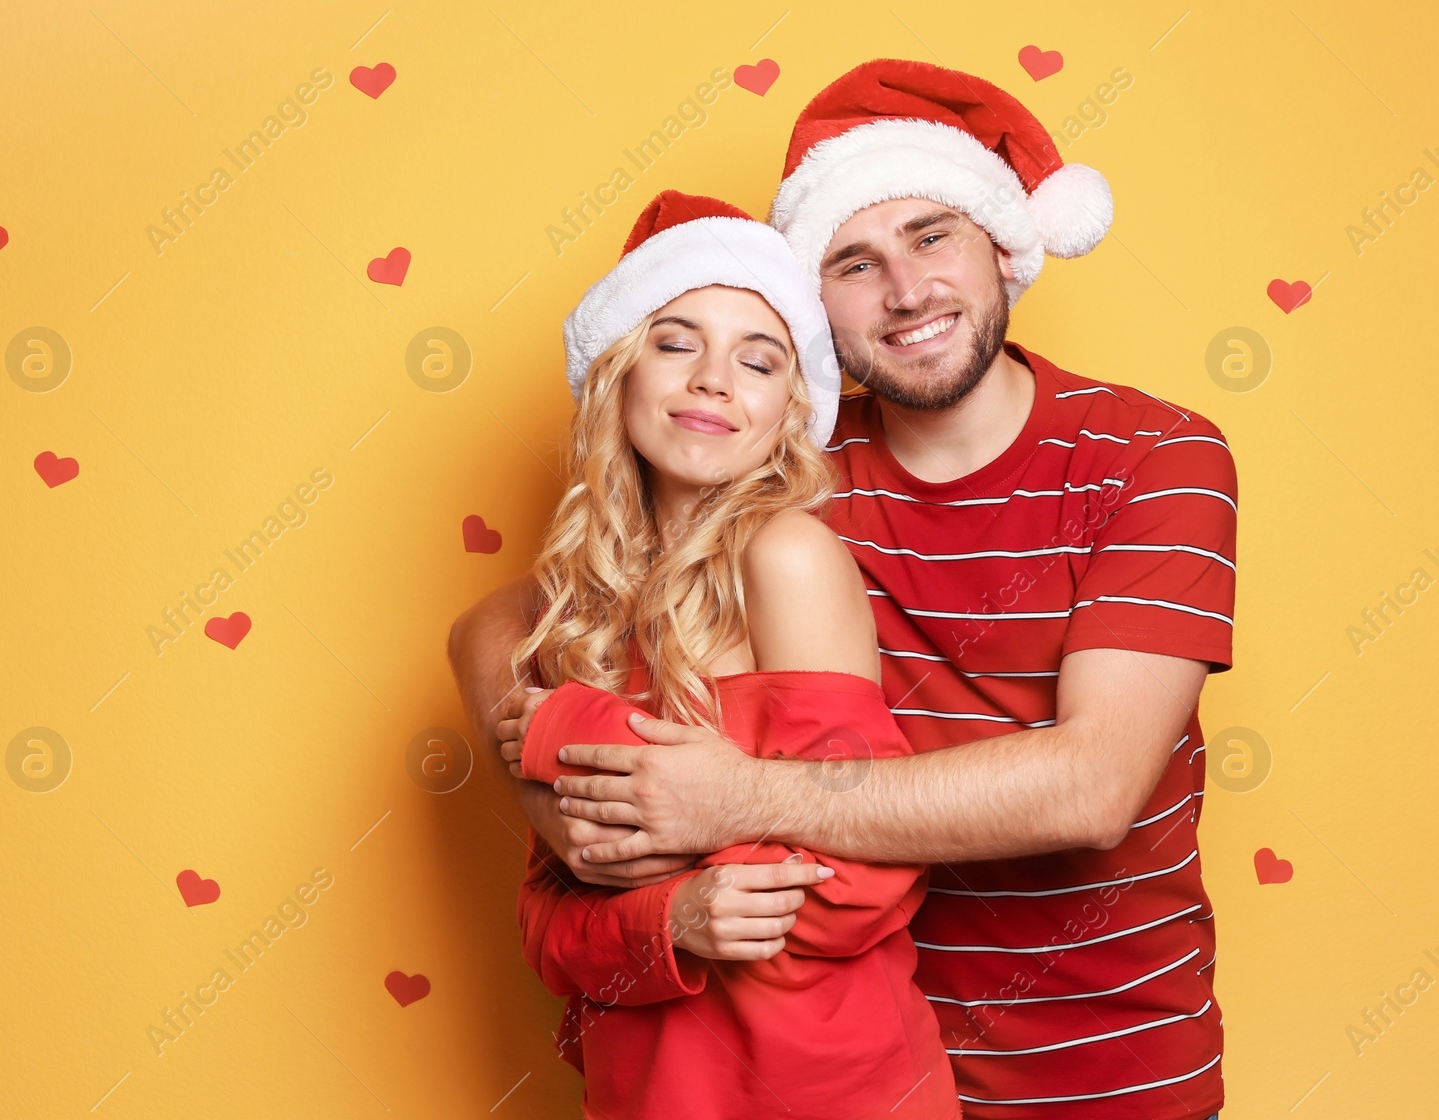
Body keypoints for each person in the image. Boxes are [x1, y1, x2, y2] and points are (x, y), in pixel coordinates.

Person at [452, 61, 1235, 1120]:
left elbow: (1091, 786)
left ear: (1003, 247)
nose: (905, 291)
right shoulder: (779, 461)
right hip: (813, 1040)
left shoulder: (1152, 455)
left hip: (1090, 1053)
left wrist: (725, 799)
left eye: (931, 236)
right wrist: (576, 816)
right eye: (853, 262)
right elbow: (511, 618)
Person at [499, 188, 961, 1119]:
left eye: (759, 361)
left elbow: (859, 878)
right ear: (618, 374)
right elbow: (549, 935)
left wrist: (574, 728)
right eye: (676, 343)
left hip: (830, 1092)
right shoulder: (580, 610)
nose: (714, 380)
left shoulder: (784, 557)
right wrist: (671, 920)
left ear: (788, 410)